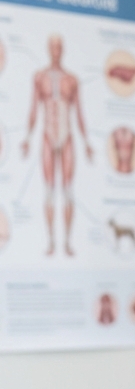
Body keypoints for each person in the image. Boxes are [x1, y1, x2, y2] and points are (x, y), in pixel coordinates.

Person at [22, 34, 93, 256]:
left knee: (68, 190)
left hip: (67, 135)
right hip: (47, 135)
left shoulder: (72, 80)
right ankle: (52, 241)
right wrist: (27, 137)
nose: (56, 50)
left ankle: (68, 243)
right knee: (49, 189)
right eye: (53, 46)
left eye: (59, 46)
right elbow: (33, 109)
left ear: (63, 49)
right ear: (47, 49)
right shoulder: (39, 77)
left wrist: (87, 141)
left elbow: (79, 112)